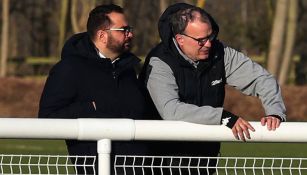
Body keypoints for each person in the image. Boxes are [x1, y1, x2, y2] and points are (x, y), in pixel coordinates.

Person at [139, 3, 286, 174]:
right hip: (161, 162)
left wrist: (275, 112)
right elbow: (171, 110)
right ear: (180, 39)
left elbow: (262, 79)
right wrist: (222, 117)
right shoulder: (159, 62)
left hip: (206, 160)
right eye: (200, 40)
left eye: (211, 36)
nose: (208, 44)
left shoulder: (219, 52)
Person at [38, 4, 151, 174]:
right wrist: (91, 107)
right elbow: (47, 119)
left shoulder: (130, 68)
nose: (131, 34)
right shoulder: (69, 69)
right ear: (102, 35)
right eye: (124, 30)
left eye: (130, 29)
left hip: (139, 168)